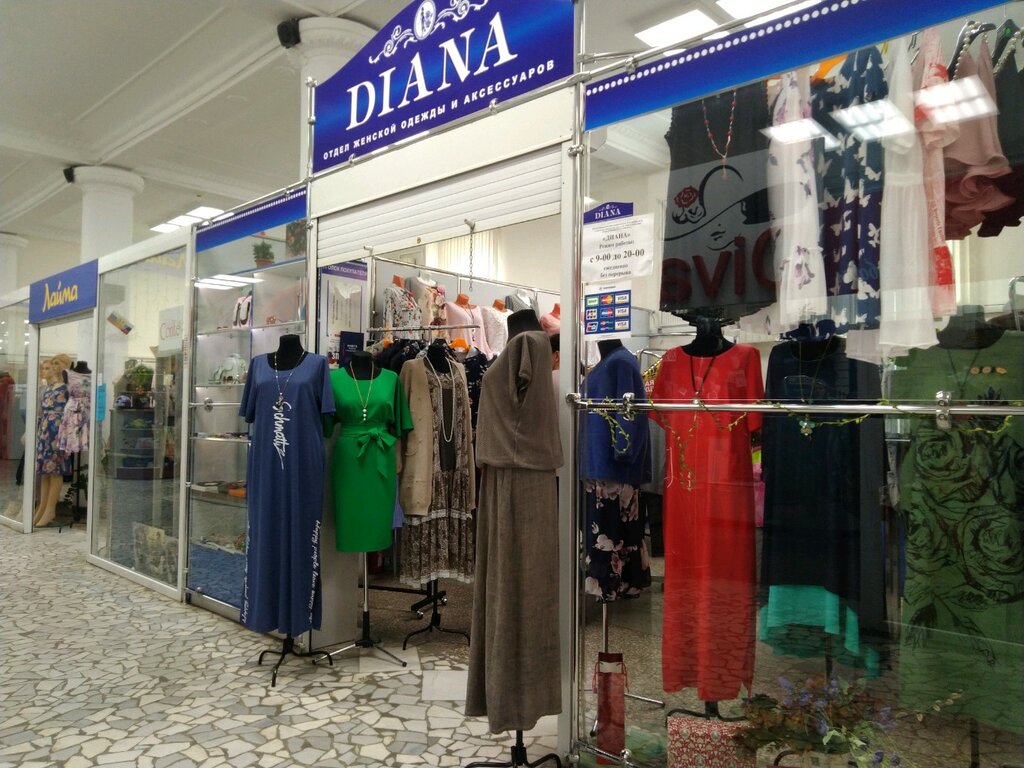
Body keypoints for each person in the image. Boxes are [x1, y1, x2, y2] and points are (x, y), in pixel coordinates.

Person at [34, 354, 72, 528]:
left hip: (57, 430)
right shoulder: (48, 388)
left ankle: (50, 510)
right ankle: (42, 507)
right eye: (52, 364)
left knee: (55, 470)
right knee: (45, 471)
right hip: (45, 429)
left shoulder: (66, 388)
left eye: (57, 364)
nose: (54, 367)